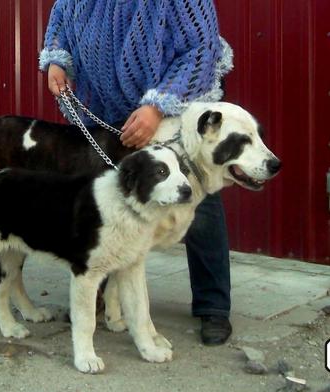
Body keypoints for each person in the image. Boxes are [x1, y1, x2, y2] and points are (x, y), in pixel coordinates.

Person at [39, 0, 234, 345]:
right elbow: (60, 20)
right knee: (102, 198)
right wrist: (56, 60)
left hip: (178, 102)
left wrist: (157, 106)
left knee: (195, 196)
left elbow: (200, 51)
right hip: (107, 105)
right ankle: (94, 289)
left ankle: (213, 305)